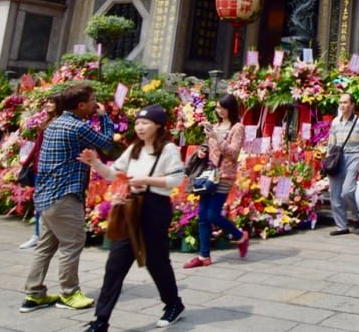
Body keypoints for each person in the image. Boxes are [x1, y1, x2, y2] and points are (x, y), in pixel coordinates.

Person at [79, 105, 186, 331]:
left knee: (157, 262)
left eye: (145, 123)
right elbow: (114, 174)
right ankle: (101, 321)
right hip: (131, 208)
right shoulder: (133, 149)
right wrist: (95, 163)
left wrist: (145, 180)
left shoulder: (168, 149)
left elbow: (176, 179)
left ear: (158, 125)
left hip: (155, 209)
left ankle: (173, 303)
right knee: (115, 265)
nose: (140, 127)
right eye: (137, 123)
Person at [20, 84, 114, 314]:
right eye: (92, 100)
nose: (95, 104)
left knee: (44, 247)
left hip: (45, 196)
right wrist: (104, 117)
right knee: (72, 245)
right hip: (64, 196)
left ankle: (34, 294)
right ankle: (69, 293)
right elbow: (107, 144)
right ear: (81, 105)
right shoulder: (77, 126)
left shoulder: (54, 123)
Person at [184, 94, 248, 268]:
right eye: (217, 108)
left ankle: (240, 236)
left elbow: (233, 153)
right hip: (209, 174)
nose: (218, 111)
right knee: (202, 216)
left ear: (230, 109)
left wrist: (216, 137)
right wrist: (202, 151)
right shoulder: (216, 126)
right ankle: (204, 256)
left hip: (224, 175)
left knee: (213, 214)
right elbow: (209, 146)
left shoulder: (237, 128)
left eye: (222, 108)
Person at [19, 95, 61, 250]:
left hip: (51, 170)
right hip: (39, 169)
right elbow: (37, 146)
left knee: (50, 205)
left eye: (52, 102)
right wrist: (27, 163)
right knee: (39, 204)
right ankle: (37, 235)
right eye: (48, 102)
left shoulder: (60, 123)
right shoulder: (45, 122)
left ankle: (48, 236)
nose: (48, 105)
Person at [328, 92, 359, 236]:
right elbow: (331, 143)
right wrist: (328, 163)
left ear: (352, 105)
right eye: (340, 102)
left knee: (347, 190)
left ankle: (357, 214)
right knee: (334, 193)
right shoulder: (335, 122)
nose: (342, 105)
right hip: (337, 158)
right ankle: (341, 226)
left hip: (353, 157)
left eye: (345, 102)